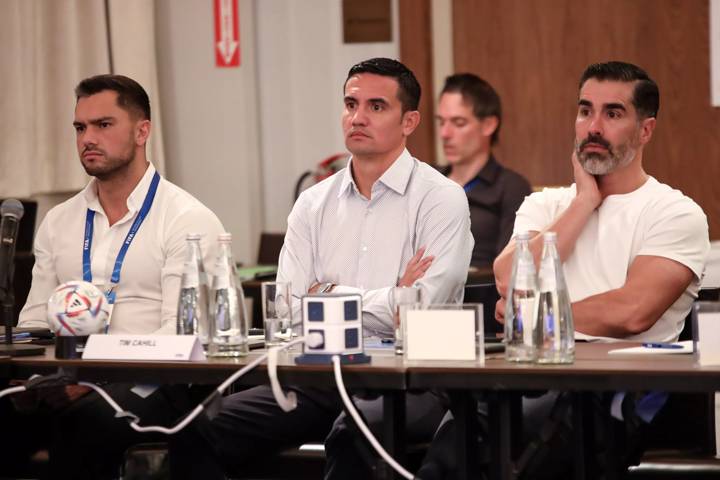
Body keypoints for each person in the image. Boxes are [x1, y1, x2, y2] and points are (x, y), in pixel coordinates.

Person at [169, 58, 473, 479]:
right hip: (318, 376)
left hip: (409, 380)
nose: (358, 117)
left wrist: (327, 294)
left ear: (410, 121)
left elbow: (421, 309)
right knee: (195, 428)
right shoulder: (313, 203)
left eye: (376, 107)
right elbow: (290, 309)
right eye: (350, 103)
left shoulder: (442, 199)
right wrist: (391, 294)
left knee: (353, 432)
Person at [416, 61, 710, 479]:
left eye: (613, 114)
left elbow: (632, 312)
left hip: (611, 390)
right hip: (527, 375)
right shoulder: (547, 205)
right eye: (585, 110)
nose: (593, 126)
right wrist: (583, 205)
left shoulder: (675, 213)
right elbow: (506, 279)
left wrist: (530, 314)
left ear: (645, 131)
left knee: (507, 437)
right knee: (456, 431)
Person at [11, 74, 225, 479]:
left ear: (142, 130)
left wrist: (94, 376)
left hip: (157, 381)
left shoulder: (187, 219)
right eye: (80, 127)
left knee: (86, 422)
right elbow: (35, 324)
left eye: (103, 125)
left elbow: (183, 337)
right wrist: (40, 380)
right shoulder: (59, 222)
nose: (88, 138)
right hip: (70, 378)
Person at [437, 73, 531, 269]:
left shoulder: (511, 187)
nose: (445, 134)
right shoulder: (428, 179)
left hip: (479, 293)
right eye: (441, 122)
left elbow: (510, 269)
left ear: (489, 125)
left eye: (458, 123)